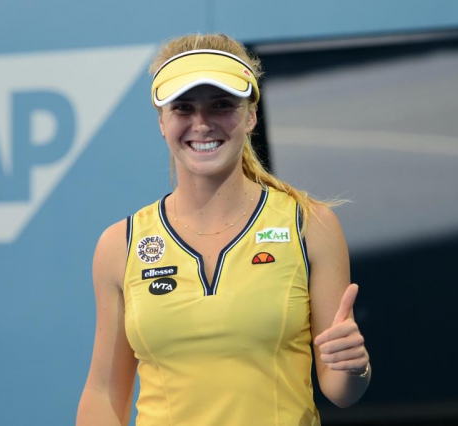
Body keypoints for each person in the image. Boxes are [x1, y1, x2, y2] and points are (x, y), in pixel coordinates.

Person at [76, 33, 370, 426]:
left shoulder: (309, 225)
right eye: (183, 107)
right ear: (162, 121)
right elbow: (104, 394)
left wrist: (353, 367)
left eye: (221, 105)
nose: (201, 124)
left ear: (250, 116)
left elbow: (339, 389)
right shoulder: (121, 244)